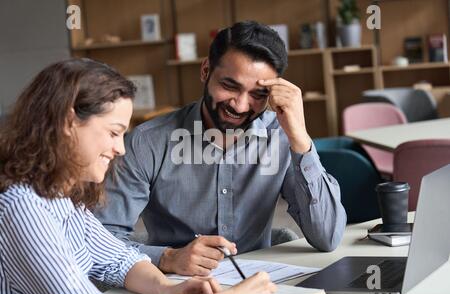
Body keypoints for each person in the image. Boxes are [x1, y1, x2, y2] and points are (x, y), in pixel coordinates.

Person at [0, 58, 276, 294]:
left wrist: (168, 290)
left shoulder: (61, 197)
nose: (121, 148)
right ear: (69, 123)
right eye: (113, 132)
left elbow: (117, 260)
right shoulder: (23, 207)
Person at [96, 21, 347, 276]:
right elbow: (100, 242)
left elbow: (327, 236)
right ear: (206, 70)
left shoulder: (281, 136)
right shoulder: (147, 142)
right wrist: (168, 258)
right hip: (174, 285)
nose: (240, 106)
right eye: (230, 86)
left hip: (259, 287)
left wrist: (300, 139)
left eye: (258, 95)